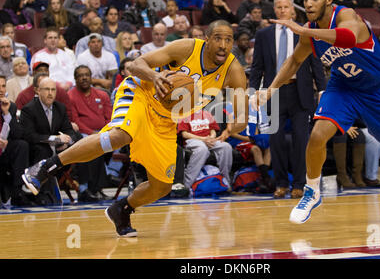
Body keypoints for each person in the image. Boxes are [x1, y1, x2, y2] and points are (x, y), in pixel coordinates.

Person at [21, 20, 248, 237]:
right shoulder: (186, 48)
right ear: (207, 39)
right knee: (120, 136)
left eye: (229, 40)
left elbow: (241, 116)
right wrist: (154, 75)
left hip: (166, 120)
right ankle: (46, 167)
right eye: (218, 38)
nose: (223, 45)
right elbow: (136, 64)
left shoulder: (233, 71)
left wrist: (233, 125)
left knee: (162, 186)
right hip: (141, 93)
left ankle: (122, 209)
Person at [253, 0, 380, 224]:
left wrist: (305, 31)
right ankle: (312, 191)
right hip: (344, 86)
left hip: (379, 91)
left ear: (328, 0)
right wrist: (271, 89)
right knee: (316, 135)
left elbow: (346, 38)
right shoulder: (310, 31)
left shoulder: (347, 15)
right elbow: (294, 62)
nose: (308, 3)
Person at [250, 0, 326, 199]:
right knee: (276, 141)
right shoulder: (264, 35)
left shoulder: (304, 32)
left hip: (300, 92)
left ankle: (299, 184)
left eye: (286, 7)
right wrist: (253, 91)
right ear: (274, 10)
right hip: (273, 93)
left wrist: (322, 90)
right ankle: (281, 183)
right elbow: (257, 67)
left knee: (302, 140)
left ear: (293, 10)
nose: (283, 11)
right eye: (279, 7)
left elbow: (315, 64)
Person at [68, 65, 113, 201]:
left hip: (103, 132)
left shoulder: (102, 95)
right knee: (94, 146)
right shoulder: (70, 96)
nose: (84, 78)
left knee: (107, 141)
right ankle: (90, 188)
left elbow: (109, 118)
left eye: (87, 75)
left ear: (91, 77)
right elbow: (76, 121)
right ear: (75, 79)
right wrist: (93, 133)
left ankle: (96, 188)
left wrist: (104, 132)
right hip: (82, 134)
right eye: (80, 75)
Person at [178, 109, 233, 191]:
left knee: (226, 147)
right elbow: (184, 134)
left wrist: (211, 137)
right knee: (202, 149)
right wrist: (203, 139)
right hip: (193, 140)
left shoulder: (206, 113)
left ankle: (225, 182)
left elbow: (212, 130)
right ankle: (187, 185)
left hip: (208, 139)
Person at [0, 75, 30, 206]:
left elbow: (18, 134)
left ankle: (17, 191)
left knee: (21, 145)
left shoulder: (10, 106)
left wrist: (7, 114)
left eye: (3, 86)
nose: (1, 89)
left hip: (5, 150)